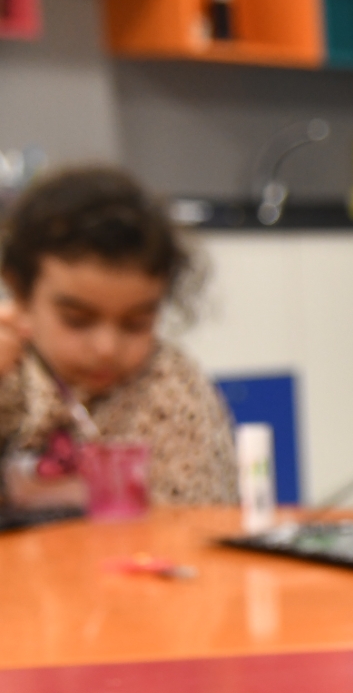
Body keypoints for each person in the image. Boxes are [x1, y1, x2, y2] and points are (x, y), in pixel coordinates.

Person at [0, 166, 236, 507]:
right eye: (77, 321)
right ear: (20, 292)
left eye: (136, 323)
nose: (107, 349)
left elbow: (196, 520)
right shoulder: (9, 373)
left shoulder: (173, 391)